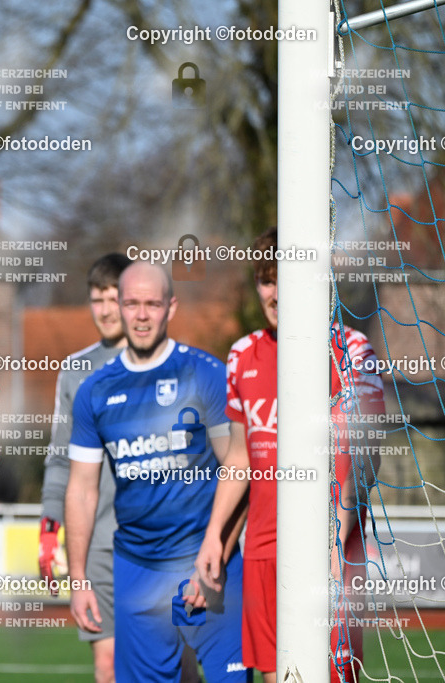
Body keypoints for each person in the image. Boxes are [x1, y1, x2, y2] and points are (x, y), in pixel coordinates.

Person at [192, 226, 385, 683]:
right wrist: (214, 536)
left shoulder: (351, 351)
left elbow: (366, 458)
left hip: (332, 549)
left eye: (285, 279)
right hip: (263, 551)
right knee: (276, 676)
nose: (275, 293)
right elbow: (240, 457)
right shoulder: (242, 355)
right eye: (266, 280)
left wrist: (336, 535)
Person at [66, 261, 249, 683]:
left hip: (208, 560)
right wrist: (78, 579)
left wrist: (216, 555)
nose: (142, 315)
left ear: (171, 307)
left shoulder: (206, 373)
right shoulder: (95, 390)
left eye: (152, 304)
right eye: (132, 303)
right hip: (136, 569)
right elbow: (81, 491)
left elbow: (239, 469)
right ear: (119, 305)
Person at [39, 253, 129, 683]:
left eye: (114, 298)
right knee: (107, 666)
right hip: (95, 542)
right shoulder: (76, 371)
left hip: (159, 542)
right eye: (98, 299)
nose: (106, 310)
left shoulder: (169, 364)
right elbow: (60, 458)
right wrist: (49, 526)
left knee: (175, 666)